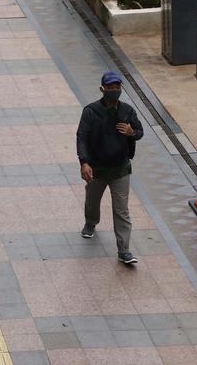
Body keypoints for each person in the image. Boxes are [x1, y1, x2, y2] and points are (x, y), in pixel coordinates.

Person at [76, 70, 144, 265]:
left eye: (117, 87)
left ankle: (124, 250)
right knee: (92, 199)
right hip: (97, 169)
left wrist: (132, 132)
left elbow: (140, 131)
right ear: (102, 89)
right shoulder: (91, 112)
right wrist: (84, 162)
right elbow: (82, 137)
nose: (114, 91)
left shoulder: (127, 111)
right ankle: (91, 222)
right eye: (110, 88)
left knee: (121, 210)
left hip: (120, 170)